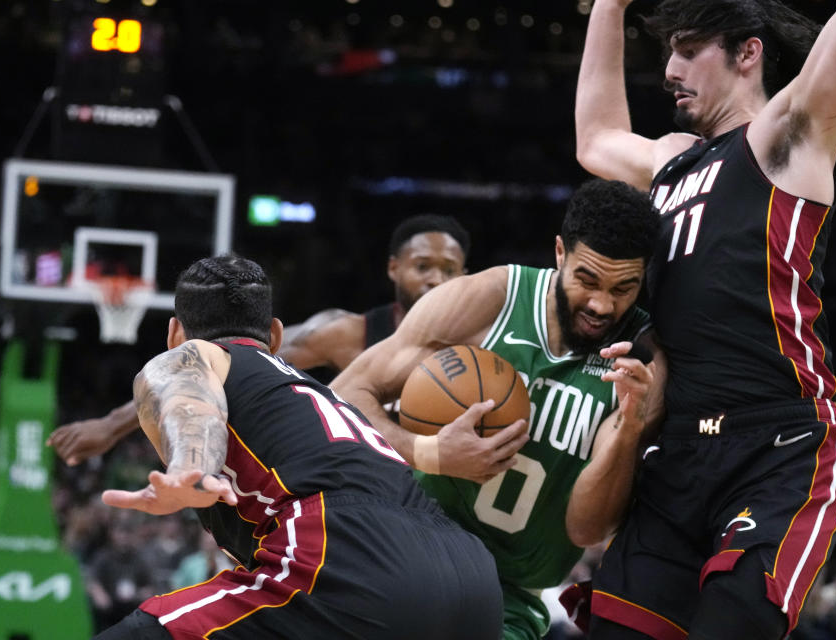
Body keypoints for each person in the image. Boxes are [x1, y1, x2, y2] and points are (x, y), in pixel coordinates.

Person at [570, 0, 836, 637]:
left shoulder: (784, 135)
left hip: (777, 445)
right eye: (668, 51)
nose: (669, 68)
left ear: (748, 53)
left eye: (688, 49)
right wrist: (608, 6)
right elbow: (595, 139)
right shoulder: (671, 161)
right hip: (676, 452)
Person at [95, 254, 502, 640]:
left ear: (174, 334)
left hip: (346, 550)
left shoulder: (198, 354)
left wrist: (191, 467)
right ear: (274, 335)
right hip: (470, 575)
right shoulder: (318, 394)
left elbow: (188, 397)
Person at [331, 178, 662, 640]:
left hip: (508, 601)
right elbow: (345, 393)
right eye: (587, 280)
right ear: (560, 252)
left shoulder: (642, 362)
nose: (601, 304)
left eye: (623, 288)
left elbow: (587, 529)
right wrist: (431, 453)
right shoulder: (492, 299)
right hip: (403, 556)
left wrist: (630, 428)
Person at [48, 213, 470, 465]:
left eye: (449, 269)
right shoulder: (346, 333)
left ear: (466, 278)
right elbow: (213, 361)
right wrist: (110, 426)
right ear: (394, 268)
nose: (436, 279)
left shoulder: (478, 351)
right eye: (423, 265)